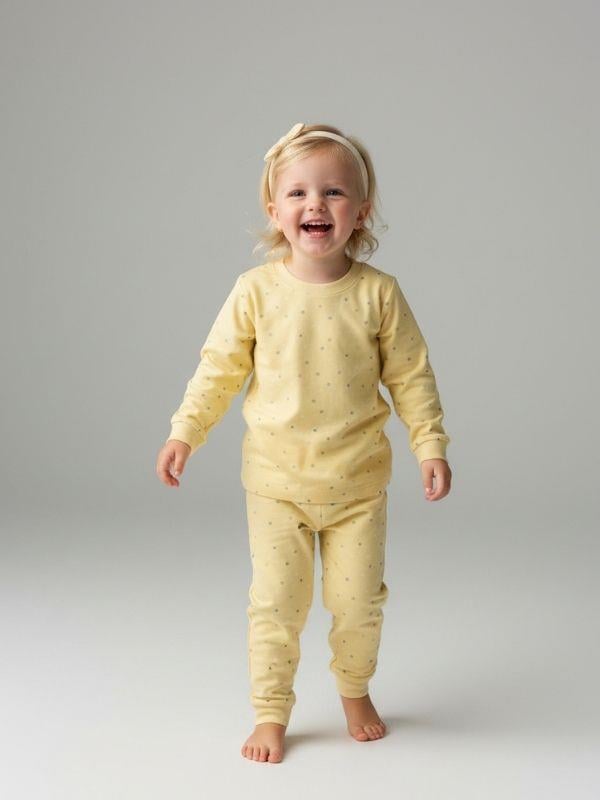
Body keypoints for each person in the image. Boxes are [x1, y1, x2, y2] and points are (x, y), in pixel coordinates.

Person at [156, 122, 452, 763]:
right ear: (275, 211)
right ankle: (270, 711)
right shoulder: (255, 292)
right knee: (276, 606)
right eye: (298, 193)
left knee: (359, 603)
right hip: (276, 486)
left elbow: (411, 375)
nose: (315, 204)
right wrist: (186, 431)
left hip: (357, 488)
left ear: (361, 211)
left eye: (333, 192)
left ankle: (354, 690)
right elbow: (218, 371)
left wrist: (429, 444)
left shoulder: (378, 294)